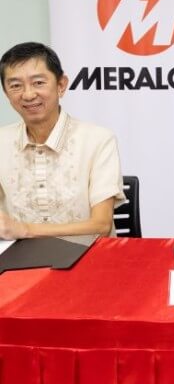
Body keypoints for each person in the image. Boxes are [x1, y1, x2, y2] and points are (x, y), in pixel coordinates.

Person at [0, 42, 125, 239]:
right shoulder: (2, 142)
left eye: (38, 83)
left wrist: (25, 229)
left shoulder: (98, 139)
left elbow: (101, 224)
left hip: (87, 260)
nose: (28, 94)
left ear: (61, 85)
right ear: (6, 93)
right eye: (15, 86)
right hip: (19, 263)